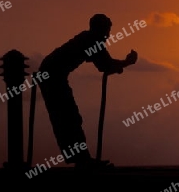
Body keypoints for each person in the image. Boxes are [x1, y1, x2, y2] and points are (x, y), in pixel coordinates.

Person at [38, 13, 138, 171]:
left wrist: (118, 66)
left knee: (69, 117)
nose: (108, 35)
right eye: (107, 30)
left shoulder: (88, 38)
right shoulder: (92, 40)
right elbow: (105, 65)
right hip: (51, 76)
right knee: (68, 117)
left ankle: (81, 158)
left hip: (53, 75)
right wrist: (127, 62)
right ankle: (82, 160)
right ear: (101, 29)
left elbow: (104, 64)